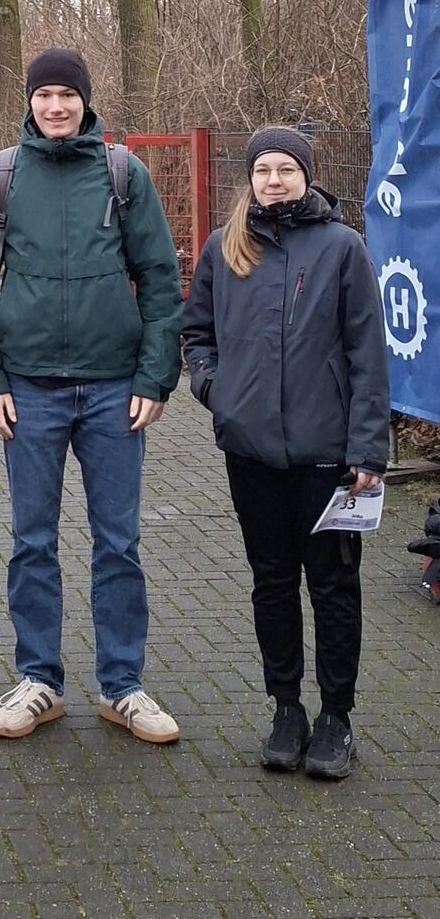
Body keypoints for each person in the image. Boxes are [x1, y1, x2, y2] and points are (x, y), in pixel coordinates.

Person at [0, 48, 184, 745]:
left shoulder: (123, 175)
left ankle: (122, 686)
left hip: (115, 391)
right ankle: (39, 681)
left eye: (67, 94)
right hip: (28, 391)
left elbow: (161, 278)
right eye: (44, 95)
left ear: (86, 100)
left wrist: (154, 377)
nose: (56, 106)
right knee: (32, 541)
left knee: (119, 542)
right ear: (28, 102)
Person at [181, 126, 388, 780]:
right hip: (252, 454)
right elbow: (196, 333)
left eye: (286, 170)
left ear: (306, 174)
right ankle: (286, 709)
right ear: (250, 177)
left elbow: (367, 354)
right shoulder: (225, 246)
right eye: (263, 170)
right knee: (272, 581)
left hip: (329, 456)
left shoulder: (343, 247)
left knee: (332, 586)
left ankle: (336, 718)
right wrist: (217, 391)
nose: (274, 181)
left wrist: (368, 449)